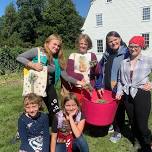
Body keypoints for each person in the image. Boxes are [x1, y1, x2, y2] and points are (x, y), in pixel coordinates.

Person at [17, 34, 84, 126]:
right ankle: (24, 129)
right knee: (32, 109)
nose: (56, 47)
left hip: (49, 87)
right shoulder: (38, 51)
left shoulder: (58, 59)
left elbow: (65, 76)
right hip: (36, 86)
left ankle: (57, 128)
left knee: (55, 109)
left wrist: (79, 82)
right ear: (47, 43)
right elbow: (19, 57)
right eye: (54, 44)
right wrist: (32, 64)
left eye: (58, 46)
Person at [116, 36, 152, 151]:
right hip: (127, 94)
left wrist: (151, 83)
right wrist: (119, 91)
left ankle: (147, 142)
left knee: (142, 123)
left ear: (141, 47)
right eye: (131, 46)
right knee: (132, 121)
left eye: (136, 46)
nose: (133, 49)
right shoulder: (123, 62)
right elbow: (120, 80)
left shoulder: (147, 60)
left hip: (142, 93)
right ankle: (137, 140)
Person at [95, 31, 129, 143]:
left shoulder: (126, 53)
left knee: (119, 110)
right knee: (111, 109)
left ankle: (118, 131)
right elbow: (99, 70)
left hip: (120, 88)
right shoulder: (106, 54)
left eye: (115, 40)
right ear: (107, 43)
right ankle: (112, 125)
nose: (113, 43)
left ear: (120, 39)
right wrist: (99, 84)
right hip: (107, 88)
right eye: (110, 41)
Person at [64, 34, 99, 104]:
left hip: (89, 88)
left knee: (88, 109)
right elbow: (69, 72)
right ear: (78, 44)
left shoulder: (92, 55)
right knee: (77, 108)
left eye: (85, 44)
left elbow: (96, 72)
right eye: (81, 43)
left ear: (88, 45)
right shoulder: (73, 55)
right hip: (76, 87)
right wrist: (81, 77)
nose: (83, 46)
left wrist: (96, 66)